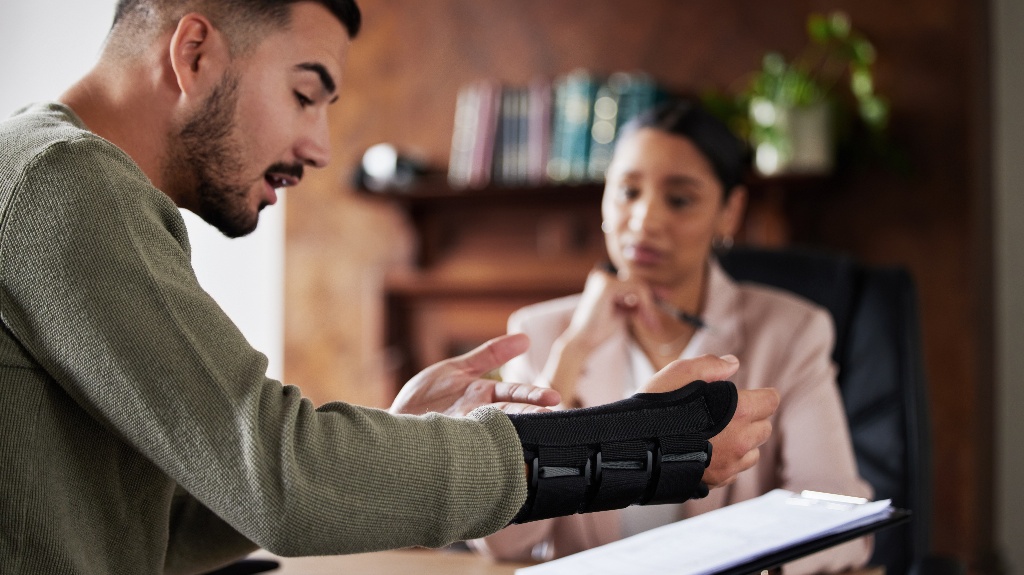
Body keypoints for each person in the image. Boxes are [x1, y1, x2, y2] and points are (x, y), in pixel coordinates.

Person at [0, 2, 780, 574]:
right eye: (305, 94)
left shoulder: (52, 178)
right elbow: (277, 479)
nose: (319, 146)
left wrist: (396, 433)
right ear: (194, 51)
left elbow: (173, 520)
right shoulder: (62, 181)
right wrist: (649, 440)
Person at [472, 99, 872, 575]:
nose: (644, 220)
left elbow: (836, 513)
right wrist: (573, 350)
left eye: (679, 200)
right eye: (628, 192)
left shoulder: (792, 332)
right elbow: (504, 542)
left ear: (729, 211)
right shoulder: (541, 333)